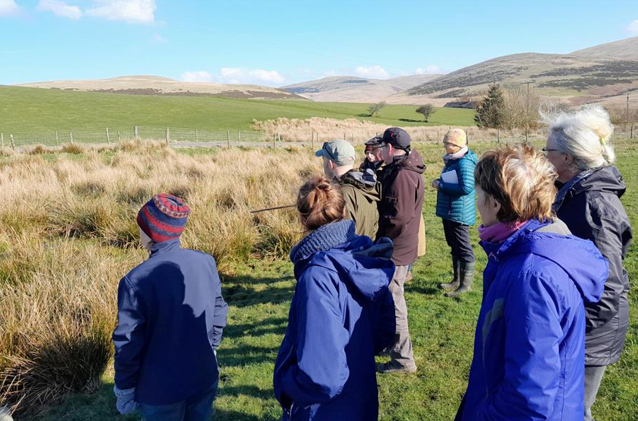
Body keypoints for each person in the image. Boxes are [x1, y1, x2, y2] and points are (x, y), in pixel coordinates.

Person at [455, 145, 608, 421]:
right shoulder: (529, 248)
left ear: (496, 204)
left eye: (479, 193)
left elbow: (528, 399)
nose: (476, 201)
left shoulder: (531, 276)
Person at [273, 175, 396, 421]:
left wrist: (286, 383)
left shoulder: (316, 277)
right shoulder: (368, 257)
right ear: (344, 210)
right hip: (360, 394)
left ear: (301, 219)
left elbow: (321, 379)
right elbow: (384, 331)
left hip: (323, 409)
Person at [543, 106, 633, 421]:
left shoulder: (593, 205)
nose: (545, 158)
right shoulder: (575, 193)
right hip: (581, 325)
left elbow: (607, 286)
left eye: (548, 151)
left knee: (572, 411)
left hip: (590, 333)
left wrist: (574, 335)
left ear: (567, 157)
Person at [112, 194, 229, 421]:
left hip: (160, 391)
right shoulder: (205, 261)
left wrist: (124, 389)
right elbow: (218, 309)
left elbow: (128, 342)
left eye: (141, 227)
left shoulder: (134, 281)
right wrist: (211, 347)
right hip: (204, 375)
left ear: (150, 232)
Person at [375, 127, 425, 374]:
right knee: (390, 301)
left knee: (395, 304)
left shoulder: (403, 175)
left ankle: (403, 361)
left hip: (396, 249)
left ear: (391, 149)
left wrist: (382, 240)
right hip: (400, 247)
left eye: (382, 147)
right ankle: (390, 345)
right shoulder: (401, 169)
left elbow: (400, 216)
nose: (379, 151)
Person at [432, 128, 477, 297]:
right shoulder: (453, 160)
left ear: (457, 145)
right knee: (454, 245)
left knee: (463, 247)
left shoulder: (464, 163)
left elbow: (466, 187)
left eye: (448, 143)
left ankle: (465, 285)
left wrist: (441, 186)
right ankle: (456, 280)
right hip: (450, 210)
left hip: (459, 212)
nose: (445, 146)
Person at [316, 139, 381, 239]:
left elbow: (341, 238)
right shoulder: (366, 185)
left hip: (350, 253)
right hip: (366, 250)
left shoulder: (342, 194)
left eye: (323, 159)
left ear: (330, 163)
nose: (323, 164)